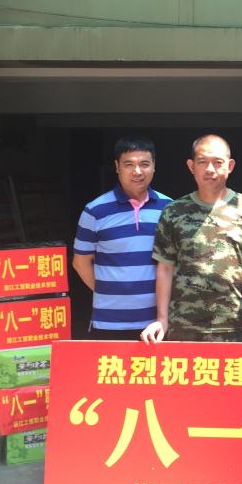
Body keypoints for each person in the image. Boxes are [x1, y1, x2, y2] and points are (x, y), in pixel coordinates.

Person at [140, 134, 242, 343]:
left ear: (230, 166)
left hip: (236, 326)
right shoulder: (174, 212)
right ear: (191, 166)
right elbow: (165, 268)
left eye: (218, 162)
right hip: (183, 327)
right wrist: (162, 319)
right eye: (202, 162)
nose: (210, 169)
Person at [73, 137, 172, 339]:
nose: (137, 171)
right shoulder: (95, 210)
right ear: (117, 167)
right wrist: (109, 293)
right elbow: (80, 263)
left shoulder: (170, 208)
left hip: (157, 323)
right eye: (129, 164)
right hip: (109, 322)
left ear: (154, 166)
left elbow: (174, 265)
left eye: (144, 164)